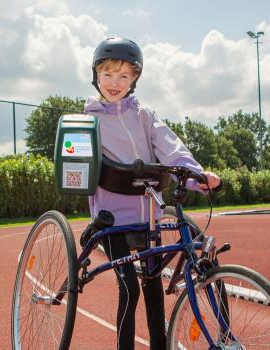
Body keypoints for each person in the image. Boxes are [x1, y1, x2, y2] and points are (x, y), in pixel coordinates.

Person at [84, 36, 221, 350]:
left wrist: (197, 176)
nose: (115, 82)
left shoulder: (144, 115)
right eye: (107, 74)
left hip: (148, 215)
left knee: (152, 286)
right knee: (129, 287)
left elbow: (171, 148)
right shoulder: (89, 120)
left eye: (123, 75)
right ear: (96, 76)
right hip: (111, 219)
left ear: (134, 79)